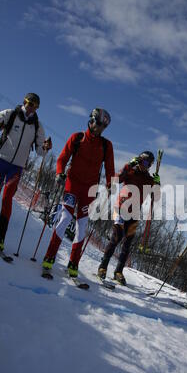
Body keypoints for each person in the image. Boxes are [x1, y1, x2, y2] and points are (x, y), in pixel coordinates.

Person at [42, 108, 115, 278]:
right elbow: (62, 158)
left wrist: (110, 184)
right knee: (65, 219)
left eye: (104, 126)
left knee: (81, 227)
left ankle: (73, 263)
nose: (100, 128)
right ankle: (49, 257)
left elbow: (110, 168)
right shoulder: (77, 138)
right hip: (72, 185)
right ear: (91, 121)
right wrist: (59, 173)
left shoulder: (106, 145)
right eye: (98, 124)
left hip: (89, 191)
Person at [0, 93, 52, 251]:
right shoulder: (10, 114)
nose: (31, 108)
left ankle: (0, 238)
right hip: (0, 161)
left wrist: (45, 148)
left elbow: (40, 151)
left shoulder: (38, 126)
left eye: (35, 106)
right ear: (24, 102)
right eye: (29, 103)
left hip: (16, 168)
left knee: (7, 200)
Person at [97, 151, 161, 285]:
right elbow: (115, 180)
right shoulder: (130, 171)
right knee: (116, 237)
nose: (146, 166)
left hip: (135, 213)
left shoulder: (149, 179)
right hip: (121, 209)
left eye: (149, 164)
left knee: (127, 243)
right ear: (139, 160)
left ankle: (118, 271)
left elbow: (156, 197)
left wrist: (157, 183)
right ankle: (103, 266)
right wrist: (128, 165)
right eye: (144, 162)